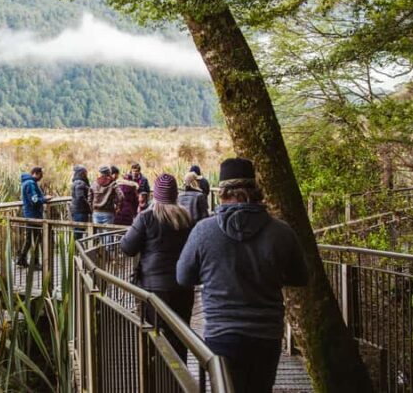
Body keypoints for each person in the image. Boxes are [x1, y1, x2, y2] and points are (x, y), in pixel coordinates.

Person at [177, 158, 308, 393]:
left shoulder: (204, 231)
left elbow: (183, 277)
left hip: (221, 333)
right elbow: (300, 277)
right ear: (255, 190)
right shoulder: (281, 232)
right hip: (266, 334)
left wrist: (211, 273)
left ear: (222, 192)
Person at [120, 173, 194, 360]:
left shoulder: (146, 218)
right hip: (183, 285)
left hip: (154, 289)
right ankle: (180, 381)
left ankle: (156, 377)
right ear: (175, 194)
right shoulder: (187, 218)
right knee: (180, 335)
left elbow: (128, 248)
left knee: (155, 336)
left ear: (156, 195)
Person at [17, 167, 47, 268]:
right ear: (35, 173)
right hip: (33, 215)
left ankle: (22, 259)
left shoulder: (27, 182)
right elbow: (34, 200)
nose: (41, 177)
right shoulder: (30, 183)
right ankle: (35, 262)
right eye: (40, 175)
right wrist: (44, 199)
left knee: (30, 239)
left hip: (30, 215)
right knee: (37, 238)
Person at [69, 165, 91, 239]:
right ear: (81, 173)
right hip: (80, 211)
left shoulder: (76, 182)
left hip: (77, 210)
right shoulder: (80, 183)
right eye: (85, 173)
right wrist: (89, 207)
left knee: (78, 231)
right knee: (79, 232)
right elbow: (80, 197)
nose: (86, 174)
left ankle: (76, 249)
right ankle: (77, 249)